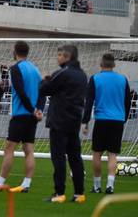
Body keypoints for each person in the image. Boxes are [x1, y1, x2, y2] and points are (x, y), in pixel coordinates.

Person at [0, 42, 42, 194]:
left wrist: (32, 109)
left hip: (22, 114)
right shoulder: (35, 69)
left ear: (15, 52)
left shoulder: (15, 69)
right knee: (29, 149)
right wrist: (38, 110)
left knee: (9, 147)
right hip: (32, 116)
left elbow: (21, 92)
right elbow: (42, 92)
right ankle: (26, 183)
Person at [40, 45, 88, 204]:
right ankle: (79, 193)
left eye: (60, 55)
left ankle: (59, 193)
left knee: (59, 157)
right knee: (75, 157)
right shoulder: (82, 75)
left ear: (67, 57)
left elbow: (45, 89)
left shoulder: (62, 73)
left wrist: (45, 79)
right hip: (74, 121)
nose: (58, 57)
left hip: (59, 121)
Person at [82, 53, 131, 195]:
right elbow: (127, 101)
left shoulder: (95, 78)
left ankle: (97, 186)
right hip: (117, 121)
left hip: (102, 120)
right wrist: (124, 118)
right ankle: (110, 186)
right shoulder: (123, 79)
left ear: (101, 64)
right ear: (114, 65)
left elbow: (89, 102)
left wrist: (85, 122)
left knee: (96, 153)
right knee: (112, 155)